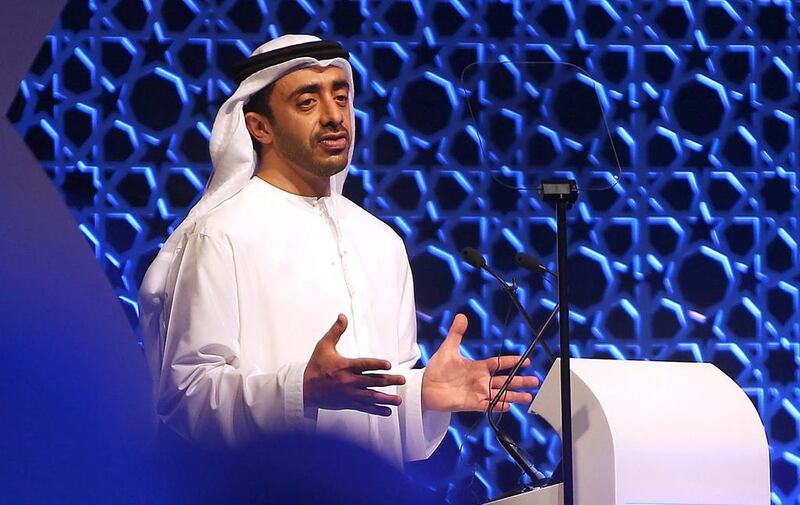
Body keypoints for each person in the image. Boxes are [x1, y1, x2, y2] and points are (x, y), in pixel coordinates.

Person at [138, 34, 537, 467]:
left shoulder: (381, 241)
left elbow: (382, 407)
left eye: (342, 97)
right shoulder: (221, 236)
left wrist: (423, 395)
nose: (334, 117)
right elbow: (186, 395)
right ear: (260, 126)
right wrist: (300, 389)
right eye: (307, 102)